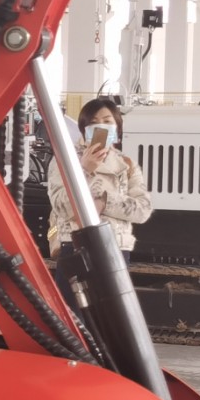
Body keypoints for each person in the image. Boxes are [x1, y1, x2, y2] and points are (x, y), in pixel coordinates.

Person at [48, 97, 152, 297]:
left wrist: (105, 203)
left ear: (117, 127)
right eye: (93, 122)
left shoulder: (126, 164)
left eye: (107, 121)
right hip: (75, 246)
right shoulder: (64, 159)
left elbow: (143, 210)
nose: (100, 126)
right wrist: (85, 170)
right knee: (73, 311)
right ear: (83, 128)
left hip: (116, 248)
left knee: (115, 312)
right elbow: (61, 206)